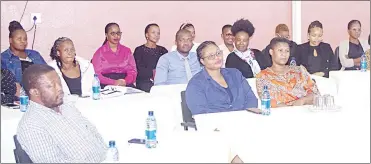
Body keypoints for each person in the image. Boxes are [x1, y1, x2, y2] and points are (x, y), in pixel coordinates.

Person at [16, 64, 107, 163]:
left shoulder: (66, 106)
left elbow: (93, 132)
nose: (59, 88)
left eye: (59, 82)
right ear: (34, 92)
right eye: (51, 85)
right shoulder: (31, 125)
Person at [185, 41, 260, 115]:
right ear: (202, 61)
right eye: (211, 56)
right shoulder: (196, 84)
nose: (217, 57)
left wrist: (245, 117)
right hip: (216, 125)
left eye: (218, 53)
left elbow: (251, 99)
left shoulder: (235, 74)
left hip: (244, 120)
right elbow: (201, 112)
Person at [256, 37, 320, 108]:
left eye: (287, 51)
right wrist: (291, 109)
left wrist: (303, 100)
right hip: (281, 114)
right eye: (280, 50)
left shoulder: (299, 70)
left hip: (306, 111)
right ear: (271, 52)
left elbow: (316, 94)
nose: (284, 54)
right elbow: (268, 102)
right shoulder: (263, 76)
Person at [92, 22, 137, 88]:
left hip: (125, 83)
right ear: (106, 35)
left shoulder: (127, 51)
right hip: (106, 84)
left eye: (118, 33)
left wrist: (125, 81)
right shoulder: (99, 52)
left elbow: (133, 71)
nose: (116, 36)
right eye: (113, 33)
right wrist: (114, 82)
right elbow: (97, 74)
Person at [1, 21, 46, 85]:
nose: (23, 41)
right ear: (10, 40)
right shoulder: (3, 58)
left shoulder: (35, 54)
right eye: (19, 39)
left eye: (25, 39)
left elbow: (47, 72)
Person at [134, 23, 168, 92]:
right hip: (145, 82)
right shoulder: (139, 50)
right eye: (153, 32)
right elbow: (139, 69)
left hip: (161, 80)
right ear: (147, 35)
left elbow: (168, 67)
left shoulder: (163, 50)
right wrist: (153, 74)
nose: (156, 35)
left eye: (158, 33)